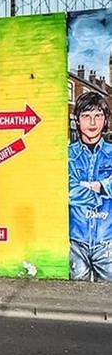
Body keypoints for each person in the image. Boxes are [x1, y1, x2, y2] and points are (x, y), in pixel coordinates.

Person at [69, 91, 112, 282]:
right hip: (75, 241)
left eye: (98, 116)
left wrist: (88, 185)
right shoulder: (68, 154)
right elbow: (68, 191)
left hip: (108, 242)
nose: (92, 123)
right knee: (76, 300)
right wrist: (102, 190)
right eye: (86, 116)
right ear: (77, 120)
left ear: (105, 120)